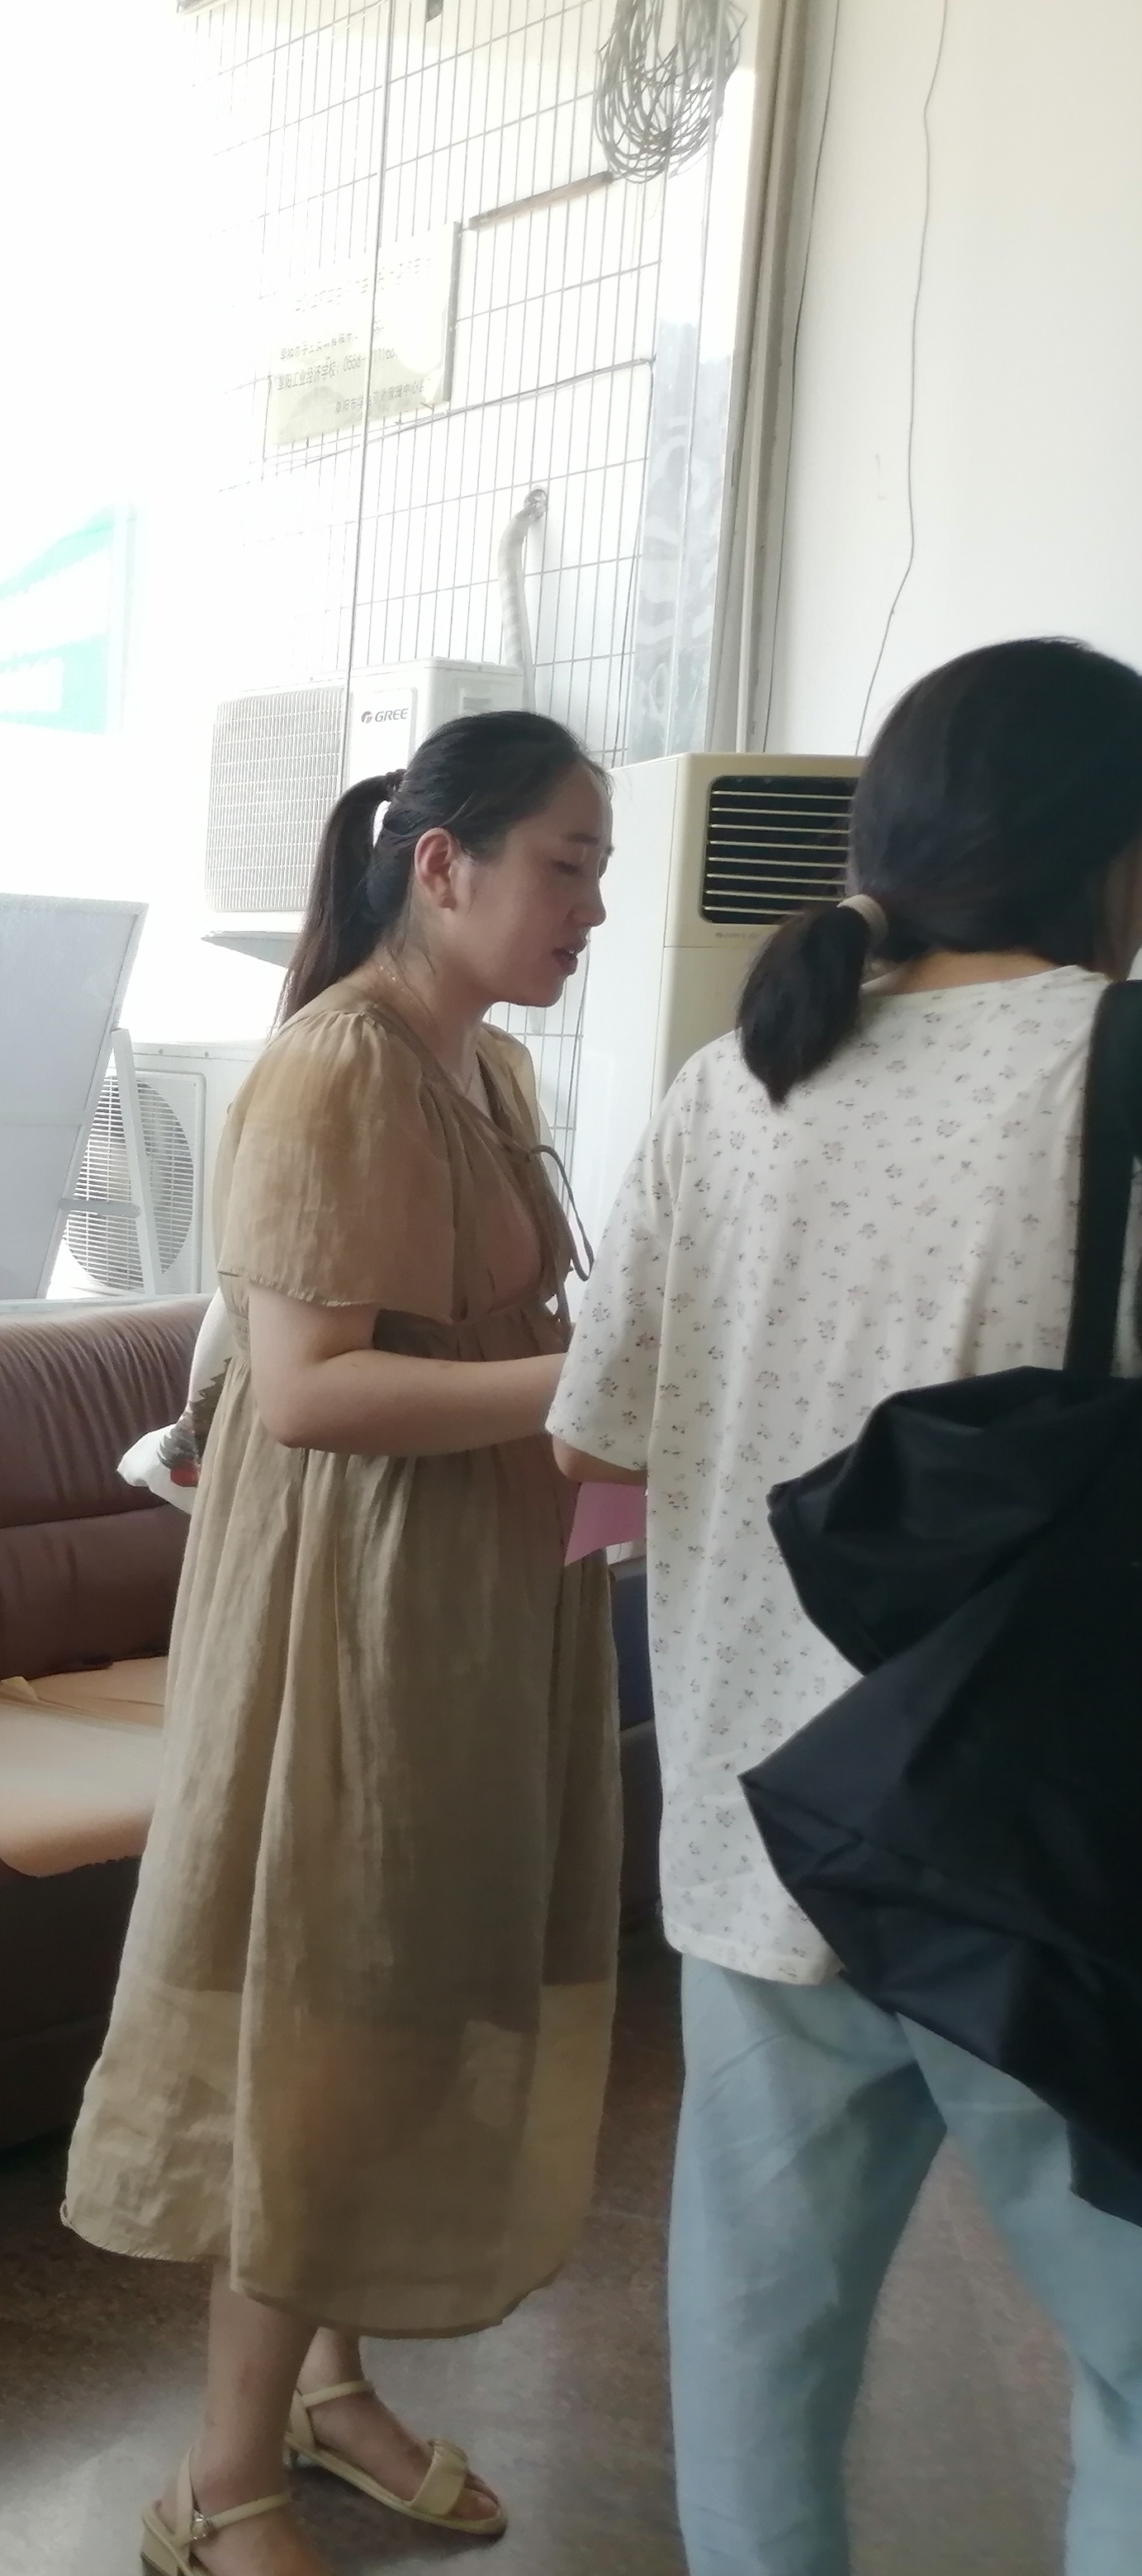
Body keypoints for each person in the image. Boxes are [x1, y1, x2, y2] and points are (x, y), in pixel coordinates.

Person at [552, 637, 1142, 2576]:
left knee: (754, 2367)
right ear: (1106, 848)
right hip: (1029, 1847)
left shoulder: (737, 1082)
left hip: (760, 1820)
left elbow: (596, 1428)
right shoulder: (1113, 1063)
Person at [62, 712, 623, 2576]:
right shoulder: (336, 1068)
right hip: (352, 1614)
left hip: (473, 1594)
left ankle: (324, 2387)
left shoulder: (490, 1070)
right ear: (440, 864)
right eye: (565, 865)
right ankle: (215, 2478)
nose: (591, 908)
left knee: (396, 1996)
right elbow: (308, 1393)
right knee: (329, 2009)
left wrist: (589, 1377)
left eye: (599, 871)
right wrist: (593, 1382)